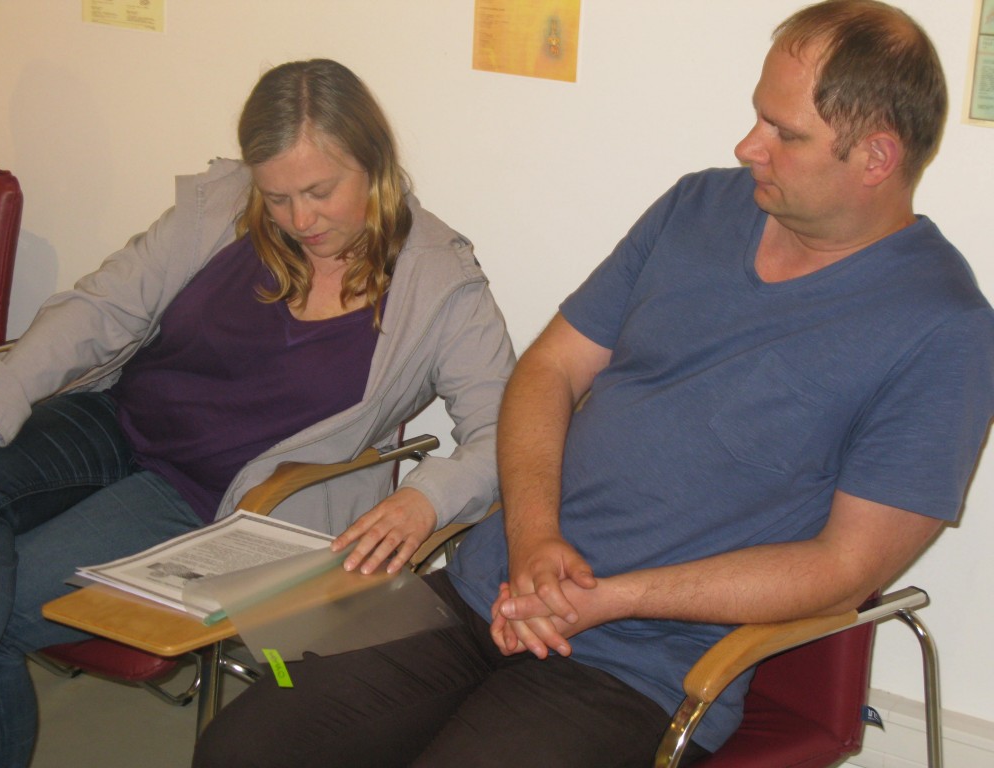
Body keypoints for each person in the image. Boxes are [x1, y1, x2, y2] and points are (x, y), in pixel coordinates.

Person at [193, 2, 994, 767]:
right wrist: (534, 540)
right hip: (480, 587)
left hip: (640, 664)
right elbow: (549, 368)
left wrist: (610, 597)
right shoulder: (698, 205)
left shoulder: (942, 328)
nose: (748, 145)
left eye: (784, 133)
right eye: (759, 116)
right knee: (247, 744)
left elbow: (844, 568)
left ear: (877, 158)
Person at [0, 59, 514, 767]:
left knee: (2, 609)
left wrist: (425, 498)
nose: (299, 220)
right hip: (113, 420)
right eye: (277, 196)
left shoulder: (440, 283)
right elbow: (102, 308)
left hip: (206, 498)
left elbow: (504, 432)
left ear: (375, 162)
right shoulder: (219, 204)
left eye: (320, 191)